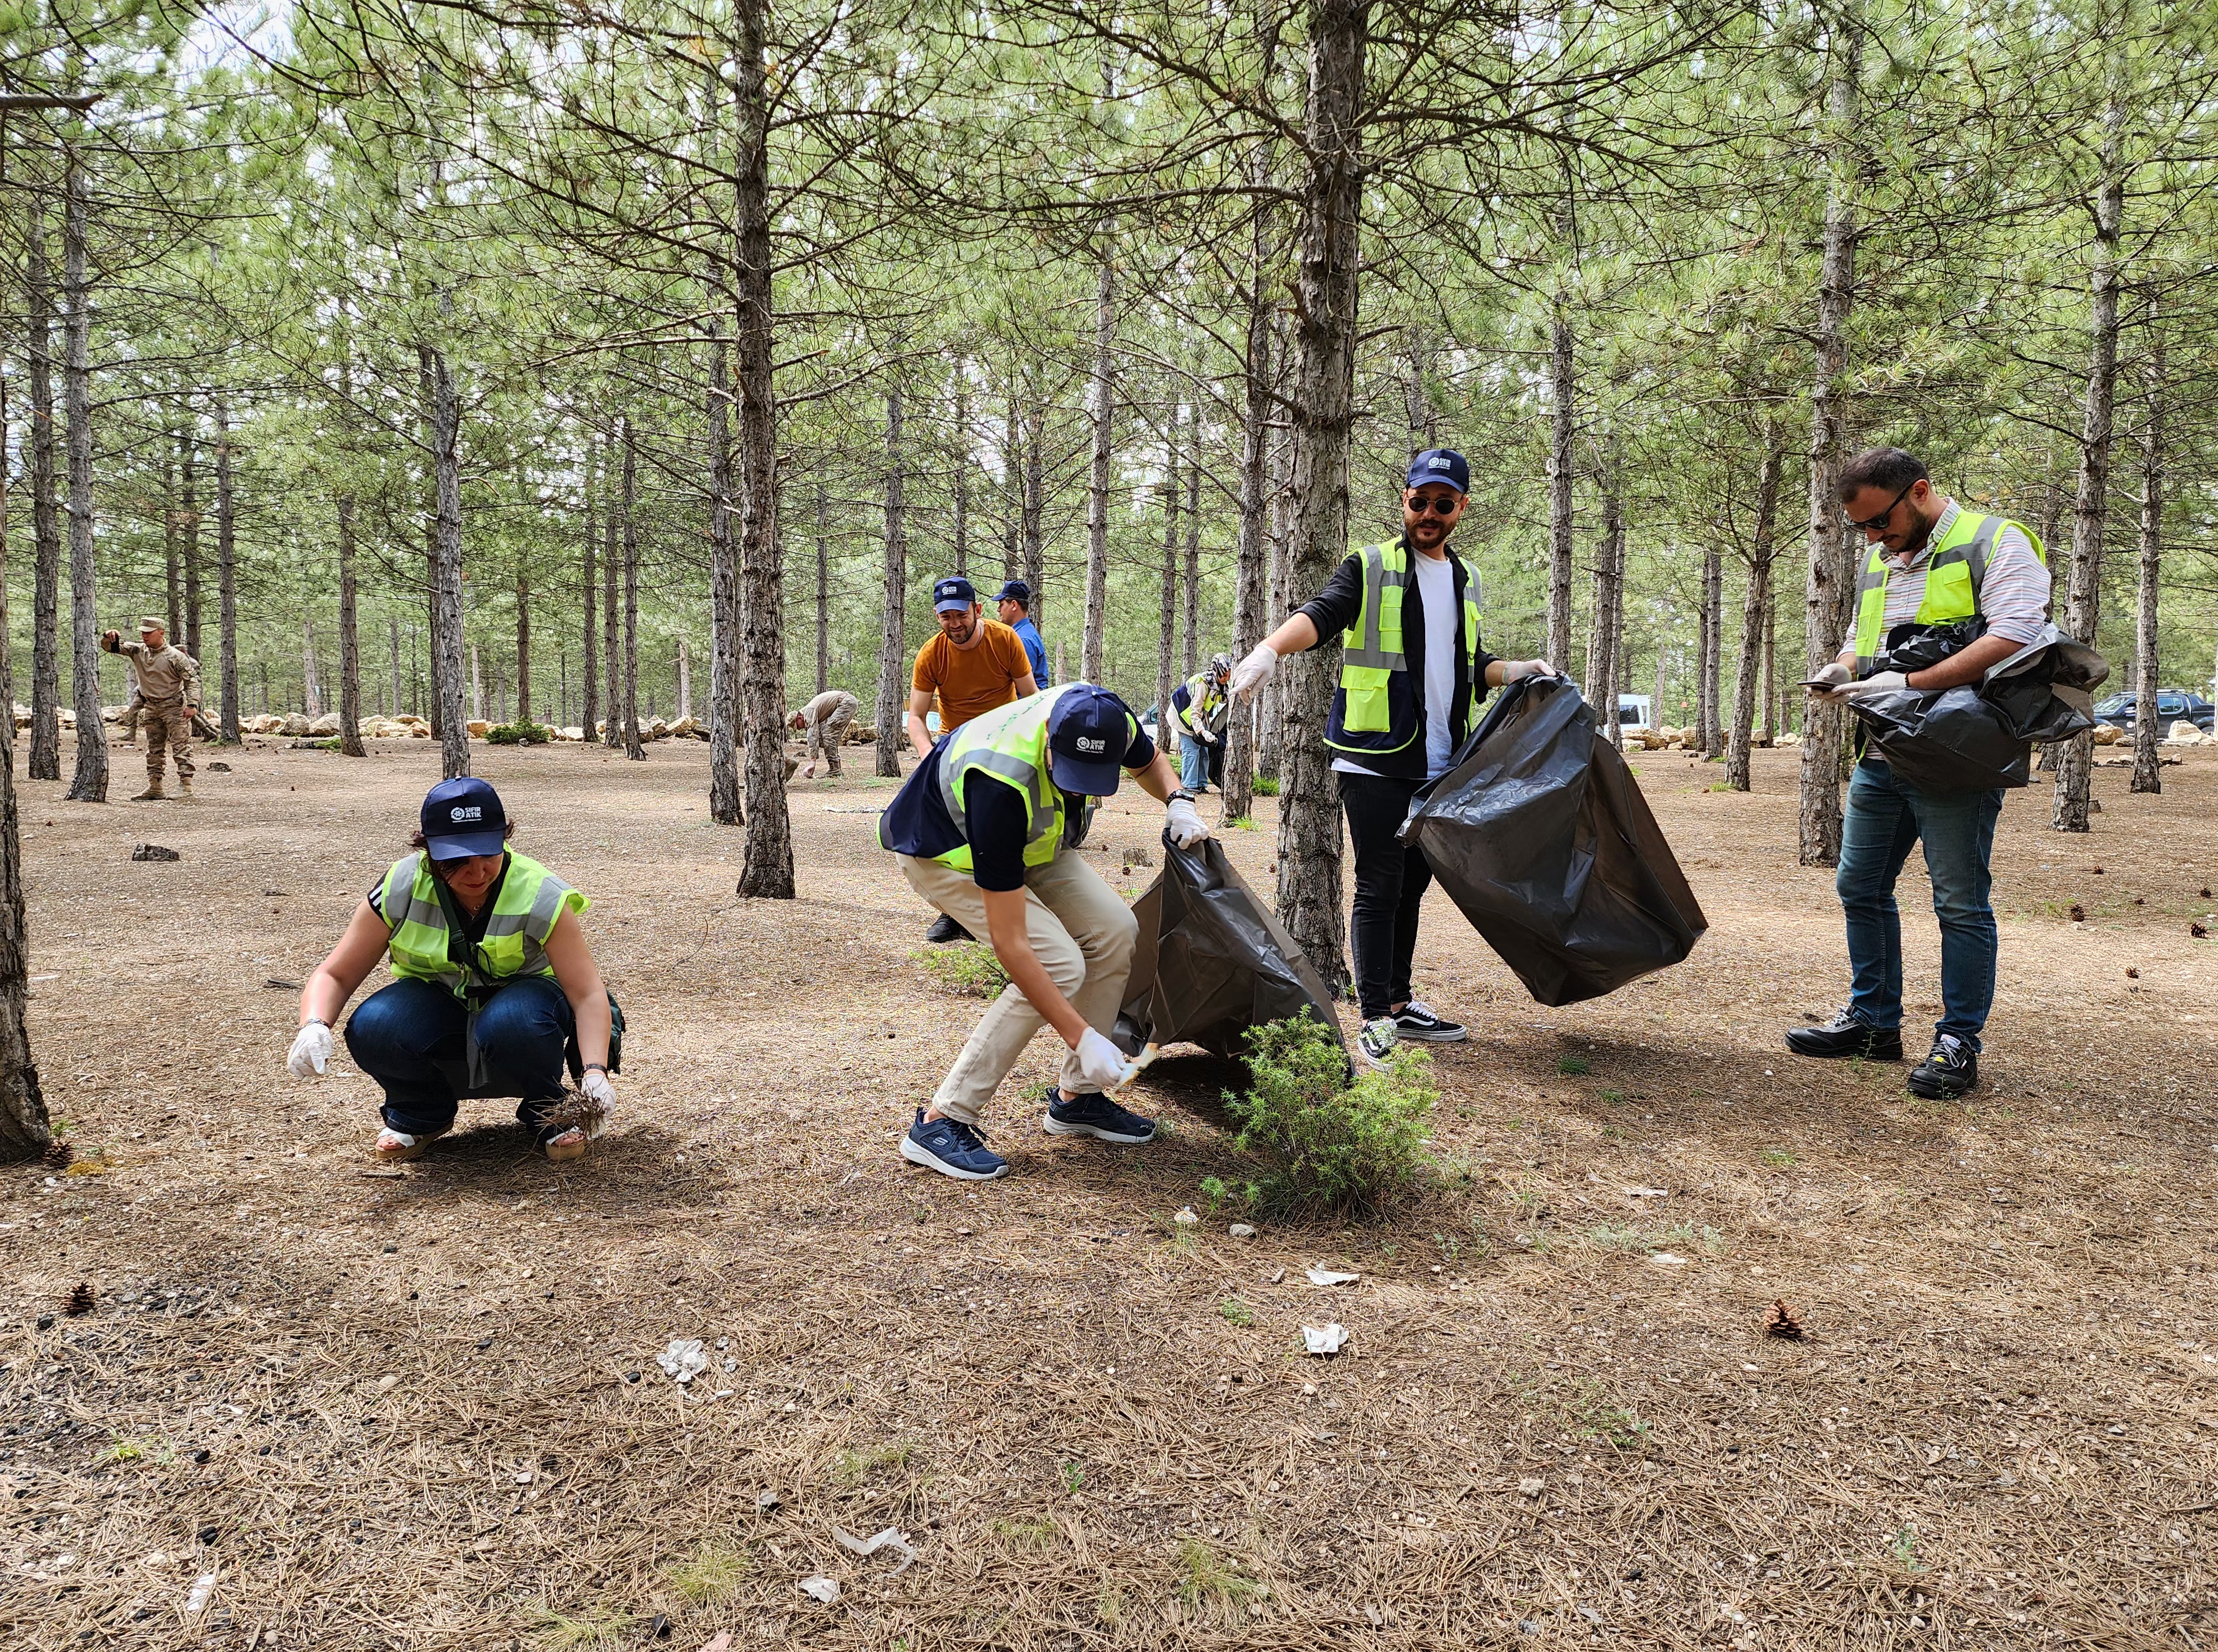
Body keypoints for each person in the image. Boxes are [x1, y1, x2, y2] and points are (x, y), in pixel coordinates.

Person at [1229, 448, 1553, 1070]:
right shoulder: (1371, 565)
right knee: (1379, 885)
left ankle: (1400, 1002)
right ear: (1403, 500)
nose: (1427, 513)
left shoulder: (1466, 579)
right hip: (1374, 755)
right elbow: (1321, 616)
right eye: (1418, 501)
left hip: (1440, 762)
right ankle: (1375, 1017)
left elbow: (1469, 663)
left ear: (1461, 507)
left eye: (1442, 503)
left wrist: (1515, 670)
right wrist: (1270, 649)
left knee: (1412, 887)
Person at [1788, 446, 2051, 1100]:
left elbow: (2016, 634)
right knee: (1860, 886)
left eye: (1880, 521)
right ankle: (1873, 1025)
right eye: (1861, 529)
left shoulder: (1996, 541)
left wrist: (1904, 681)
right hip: (1883, 752)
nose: (1874, 539)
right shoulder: (1880, 557)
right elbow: (1861, 640)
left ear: (1921, 492)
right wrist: (1842, 672)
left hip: (1957, 757)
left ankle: (1958, 1039)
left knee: (1959, 902)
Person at [879, 681, 1210, 1180]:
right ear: (1049, 744)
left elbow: (1149, 760)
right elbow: (1013, 946)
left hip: (1033, 844)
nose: (1080, 789)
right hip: (950, 852)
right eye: (1072, 775)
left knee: (1117, 930)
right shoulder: (999, 781)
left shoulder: (1106, 717)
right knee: (1058, 962)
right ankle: (940, 1120)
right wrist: (1082, 1037)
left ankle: (1078, 1099)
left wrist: (1178, 800)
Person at [284, 777, 620, 1164]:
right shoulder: (402, 885)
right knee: (374, 1025)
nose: (476, 872)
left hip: (530, 1004)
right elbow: (336, 974)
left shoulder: (541, 892)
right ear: (428, 851)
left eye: (487, 855)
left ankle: (551, 1112)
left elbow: (587, 993)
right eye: (457, 860)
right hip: (441, 1000)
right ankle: (420, 1113)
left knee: (513, 1022)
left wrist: (595, 1072)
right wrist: (314, 1024)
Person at [909, 575, 1039, 944]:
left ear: (977, 610)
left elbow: (1031, 699)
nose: (954, 624)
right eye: (945, 617)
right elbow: (916, 717)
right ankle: (956, 913)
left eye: (960, 615)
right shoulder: (932, 654)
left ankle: (1015, 907)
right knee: (957, 831)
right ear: (937, 617)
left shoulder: (1006, 640)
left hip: (1005, 738)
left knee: (1005, 828)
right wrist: (927, 756)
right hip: (956, 745)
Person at [99, 618, 199, 800]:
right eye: (142, 632)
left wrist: (192, 705)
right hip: (151, 706)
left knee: (181, 746)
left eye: (148, 632)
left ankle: (186, 786)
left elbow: (192, 680)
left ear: (161, 633)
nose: (144, 635)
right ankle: (155, 786)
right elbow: (111, 647)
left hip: (174, 707)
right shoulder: (138, 650)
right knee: (154, 749)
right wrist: (108, 636)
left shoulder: (175, 656)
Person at [1170, 652, 1234, 794]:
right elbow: (1194, 712)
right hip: (1183, 716)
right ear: (1218, 671)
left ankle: (1201, 783)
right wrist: (1202, 732)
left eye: (1228, 676)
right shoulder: (1203, 684)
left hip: (1198, 717)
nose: (1226, 679)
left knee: (1204, 750)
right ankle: (1189, 785)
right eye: (1224, 675)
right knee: (1192, 749)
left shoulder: (1219, 685)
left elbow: (1223, 699)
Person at [993, 579, 1051, 689]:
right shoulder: (1023, 633)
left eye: (1001, 604)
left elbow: (1023, 687)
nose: (999, 610)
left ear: (1014, 605)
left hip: (1024, 705)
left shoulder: (1023, 639)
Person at [790, 688, 859, 779]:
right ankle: (836, 768)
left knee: (828, 734)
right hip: (848, 702)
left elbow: (813, 736)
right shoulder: (810, 712)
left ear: (800, 718)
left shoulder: (809, 712)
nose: (799, 729)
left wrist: (813, 762)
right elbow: (818, 737)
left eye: (798, 727)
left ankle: (835, 770)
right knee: (825, 737)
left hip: (847, 703)